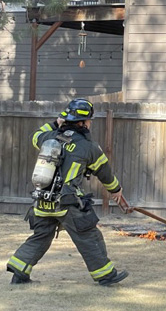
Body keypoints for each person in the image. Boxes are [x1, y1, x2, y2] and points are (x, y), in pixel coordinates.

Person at [6, 98, 131, 285]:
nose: (90, 123)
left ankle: (19, 271)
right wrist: (116, 190)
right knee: (89, 236)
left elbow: (35, 136)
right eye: (89, 120)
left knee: (41, 236)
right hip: (67, 202)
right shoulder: (88, 147)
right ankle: (105, 275)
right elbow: (104, 173)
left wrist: (55, 123)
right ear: (82, 123)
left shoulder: (50, 138)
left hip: (42, 201)